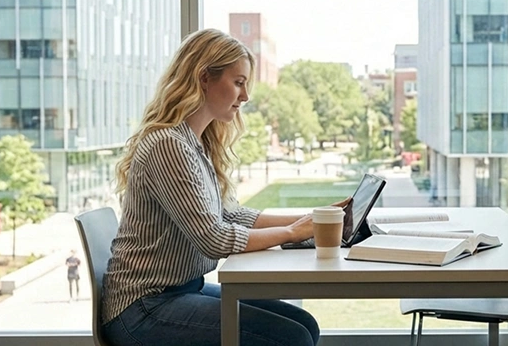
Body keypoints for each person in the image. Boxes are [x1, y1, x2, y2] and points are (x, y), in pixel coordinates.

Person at [101, 28, 346, 346]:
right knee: (293, 338)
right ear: (204, 78)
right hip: (142, 308)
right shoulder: (168, 145)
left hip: (183, 289)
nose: (245, 97)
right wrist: (291, 233)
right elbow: (214, 239)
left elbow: (231, 215)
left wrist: (309, 221)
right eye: (239, 82)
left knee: (304, 324)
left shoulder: (194, 142)